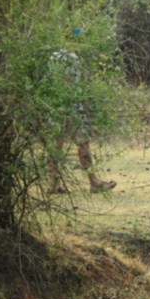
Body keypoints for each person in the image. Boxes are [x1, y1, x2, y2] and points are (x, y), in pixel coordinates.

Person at [48, 43, 117, 194]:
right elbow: (68, 84)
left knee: (56, 144)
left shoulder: (54, 56)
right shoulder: (69, 58)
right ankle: (94, 182)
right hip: (70, 107)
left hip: (55, 106)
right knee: (82, 143)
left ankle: (53, 183)